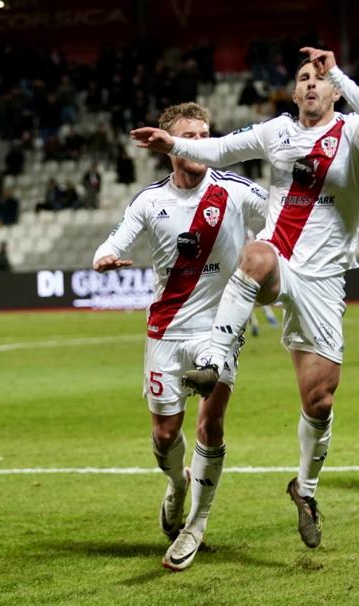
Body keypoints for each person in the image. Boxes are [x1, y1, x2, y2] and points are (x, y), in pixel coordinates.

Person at [131, 47, 359, 549]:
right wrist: (170, 142)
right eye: (304, 78)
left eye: (321, 78)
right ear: (294, 92)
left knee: (319, 400)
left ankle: (306, 489)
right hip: (281, 258)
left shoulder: (354, 134)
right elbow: (221, 150)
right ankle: (212, 357)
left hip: (326, 278)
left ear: (335, 90)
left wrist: (337, 68)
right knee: (254, 255)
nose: (312, 83)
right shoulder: (277, 131)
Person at [94, 102, 268, 571]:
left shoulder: (236, 190)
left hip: (220, 329)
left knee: (210, 426)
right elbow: (115, 240)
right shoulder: (150, 201)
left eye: (205, 133)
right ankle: (176, 483)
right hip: (166, 331)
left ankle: (196, 524)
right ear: (171, 146)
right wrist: (104, 257)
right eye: (189, 134)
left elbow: (291, 212)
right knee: (164, 432)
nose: (199, 141)